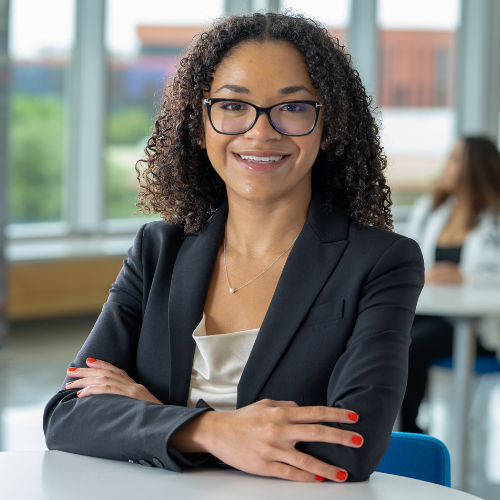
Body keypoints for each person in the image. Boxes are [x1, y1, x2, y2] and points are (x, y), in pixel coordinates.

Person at [43, 13, 424, 483]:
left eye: (294, 108)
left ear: (329, 127)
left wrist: (155, 415)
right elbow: (68, 417)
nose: (261, 133)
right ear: (200, 125)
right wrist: (211, 429)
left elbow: (347, 450)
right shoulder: (157, 250)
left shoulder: (381, 262)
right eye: (232, 106)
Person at [401, 136, 500, 434]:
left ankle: (411, 433)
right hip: (432, 311)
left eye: (455, 158)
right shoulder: (432, 210)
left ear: (475, 166)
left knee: (411, 348)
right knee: (385, 337)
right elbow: (407, 255)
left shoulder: (495, 218)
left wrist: (468, 277)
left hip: (478, 326)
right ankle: (391, 427)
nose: (448, 165)